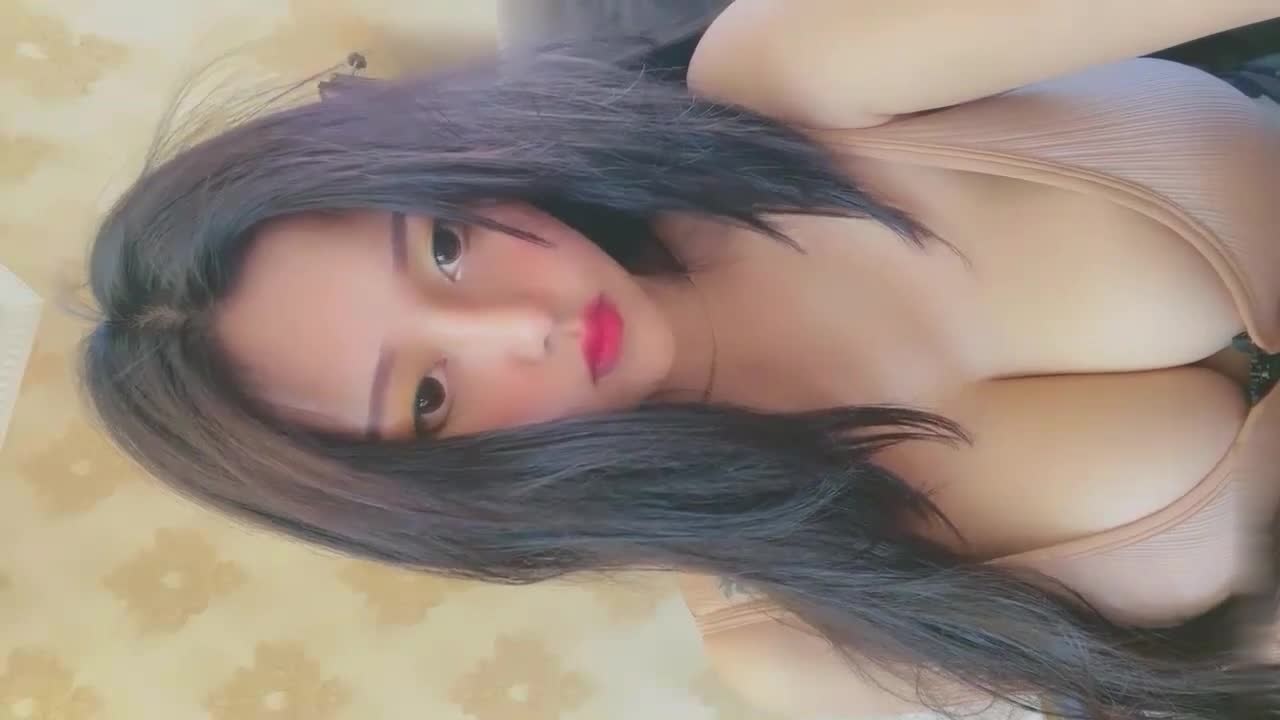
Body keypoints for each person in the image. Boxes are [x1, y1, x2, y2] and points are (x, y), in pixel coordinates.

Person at [80, 2, 1280, 718]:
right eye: (432, 395)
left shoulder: (789, 74)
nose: (522, 324)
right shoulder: (790, 643)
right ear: (432, 492)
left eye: (442, 246)